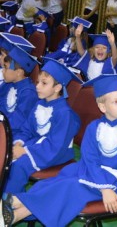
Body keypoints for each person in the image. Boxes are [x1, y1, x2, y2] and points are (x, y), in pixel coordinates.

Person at [0, 74, 117, 227]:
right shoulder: (94, 128)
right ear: (102, 107)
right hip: (91, 172)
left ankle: (15, 207)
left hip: (116, 183)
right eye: (116, 101)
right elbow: (90, 160)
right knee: (56, 181)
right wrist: (102, 186)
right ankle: (14, 210)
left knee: (69, 186)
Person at [3, 58, 82, 194]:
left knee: (19, 165)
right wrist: (19, 144)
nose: (37, 86)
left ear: (57, 88)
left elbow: (55, 146)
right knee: (7, 153)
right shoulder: (40, 103)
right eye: (38, 82)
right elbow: (26, 129)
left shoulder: (65, 114)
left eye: (44, 83)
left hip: (55, 153)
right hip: (37, 145)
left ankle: (10, 203)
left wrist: (25, 151)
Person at [0, 45, 39, 139]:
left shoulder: (28, 93)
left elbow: (17, 121)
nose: (3, 71)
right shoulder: (9, 83)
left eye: (6, 67)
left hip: (13, 132)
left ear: (18, 72)